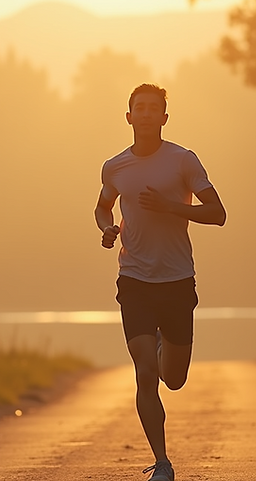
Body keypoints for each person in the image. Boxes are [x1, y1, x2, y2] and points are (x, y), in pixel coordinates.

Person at [94, 83, 226, 481]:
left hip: (176, 280)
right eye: (140, 108)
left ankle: (159, 345)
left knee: (175, 379)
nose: (148, 113)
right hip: (133, 279)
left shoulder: (183, 161)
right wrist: (107, 230)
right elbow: (103, 207)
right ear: (129, 116)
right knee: (146, 373)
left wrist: (172, 207)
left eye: (155, 108)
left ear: (164, 118)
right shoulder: (115, 166)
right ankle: (163, 464)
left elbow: (217, 213)